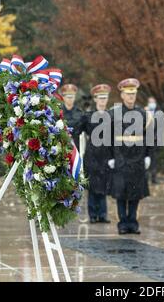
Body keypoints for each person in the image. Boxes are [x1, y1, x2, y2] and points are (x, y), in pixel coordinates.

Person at [108, 78, 153, 235]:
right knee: (121, 193)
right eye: (128, 94)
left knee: (135, 193)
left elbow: (149, 137)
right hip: (120, 158)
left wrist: (148, 155)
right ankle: (122, 223)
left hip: (137, 159)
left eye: (133, 94)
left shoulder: (143, 114)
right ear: (122, 95)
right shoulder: (114, 114)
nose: (131, 97)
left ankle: (133, 223)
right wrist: (110, 157)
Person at [80, 84, 113, 224]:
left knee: (104, 184)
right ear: (95, 99)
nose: (102, 100)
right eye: (100, 98)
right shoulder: (88, 116)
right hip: (92, 154)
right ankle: (93, 214)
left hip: (107, 153)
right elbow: (77, 130)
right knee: (93, 185)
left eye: (105, 97)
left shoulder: (111, 116)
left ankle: (103, 214)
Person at [60, 84, 84, 150]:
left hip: (76, 146)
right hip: (62, 146)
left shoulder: (80, 112)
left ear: (75, 97)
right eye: (68, 96)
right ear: (63, 97)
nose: (70, 99)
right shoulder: (58, 112)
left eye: (72, 96)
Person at [144, 96, 160, 184]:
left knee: (154, 160)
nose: (152, 104)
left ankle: (154, 178)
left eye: (153, 102)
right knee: (145, 159)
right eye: (150, 102)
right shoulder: (143, 112)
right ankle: (145, 178)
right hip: (145, 141)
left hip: (154, 141)